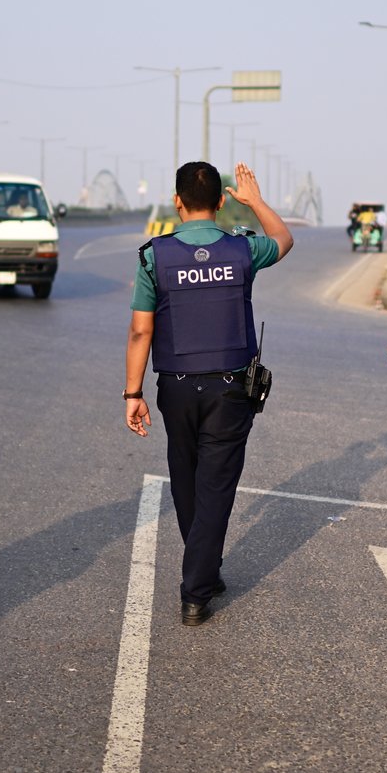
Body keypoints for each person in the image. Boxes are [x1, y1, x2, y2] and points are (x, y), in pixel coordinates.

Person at [124, 161, 293, 626]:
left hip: (175, 388)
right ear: (222, 201)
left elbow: (141, 332)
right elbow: (285, 239)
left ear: (176, 201)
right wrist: (255, 202)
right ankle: (197, 590)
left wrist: (131, 393)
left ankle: (203, 571)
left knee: (186, 477)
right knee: (215, 485)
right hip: (230, 389)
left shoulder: (153, 257)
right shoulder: (242, 250)